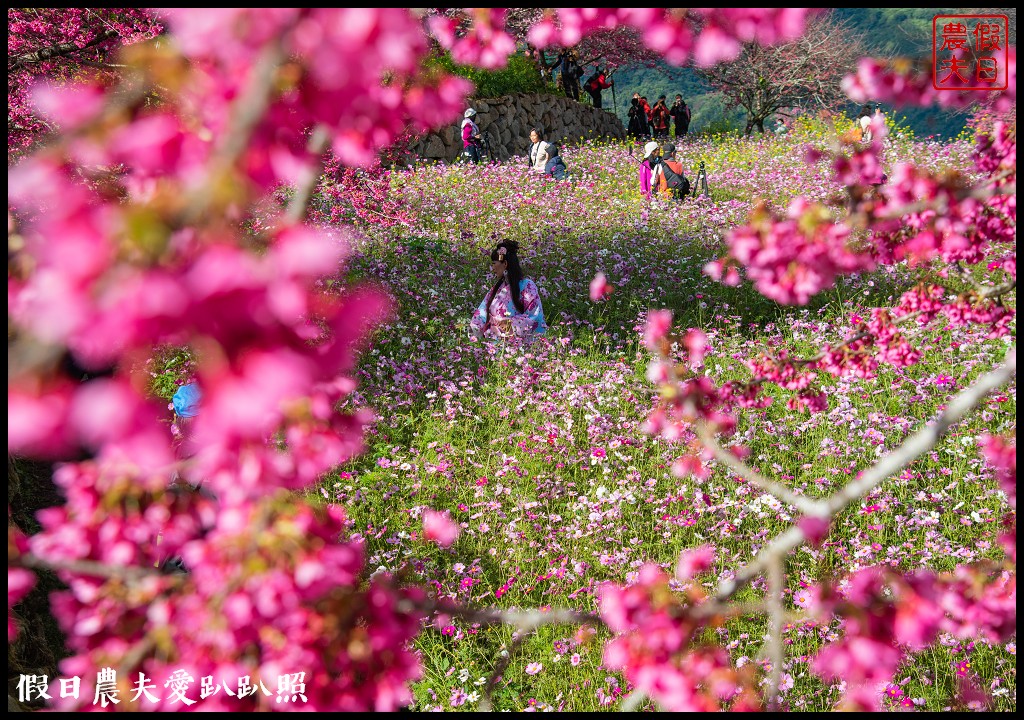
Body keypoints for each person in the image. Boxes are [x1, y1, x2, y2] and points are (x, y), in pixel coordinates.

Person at [470, 240, 547, 342]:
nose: (492, 268)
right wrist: (475, 329)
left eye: (494, 263)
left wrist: (508, 324)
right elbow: (481, 313)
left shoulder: (527, 286)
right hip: (492, 344)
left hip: (517, 347)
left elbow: (535, 317)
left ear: (505, 263)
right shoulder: (496, 289)